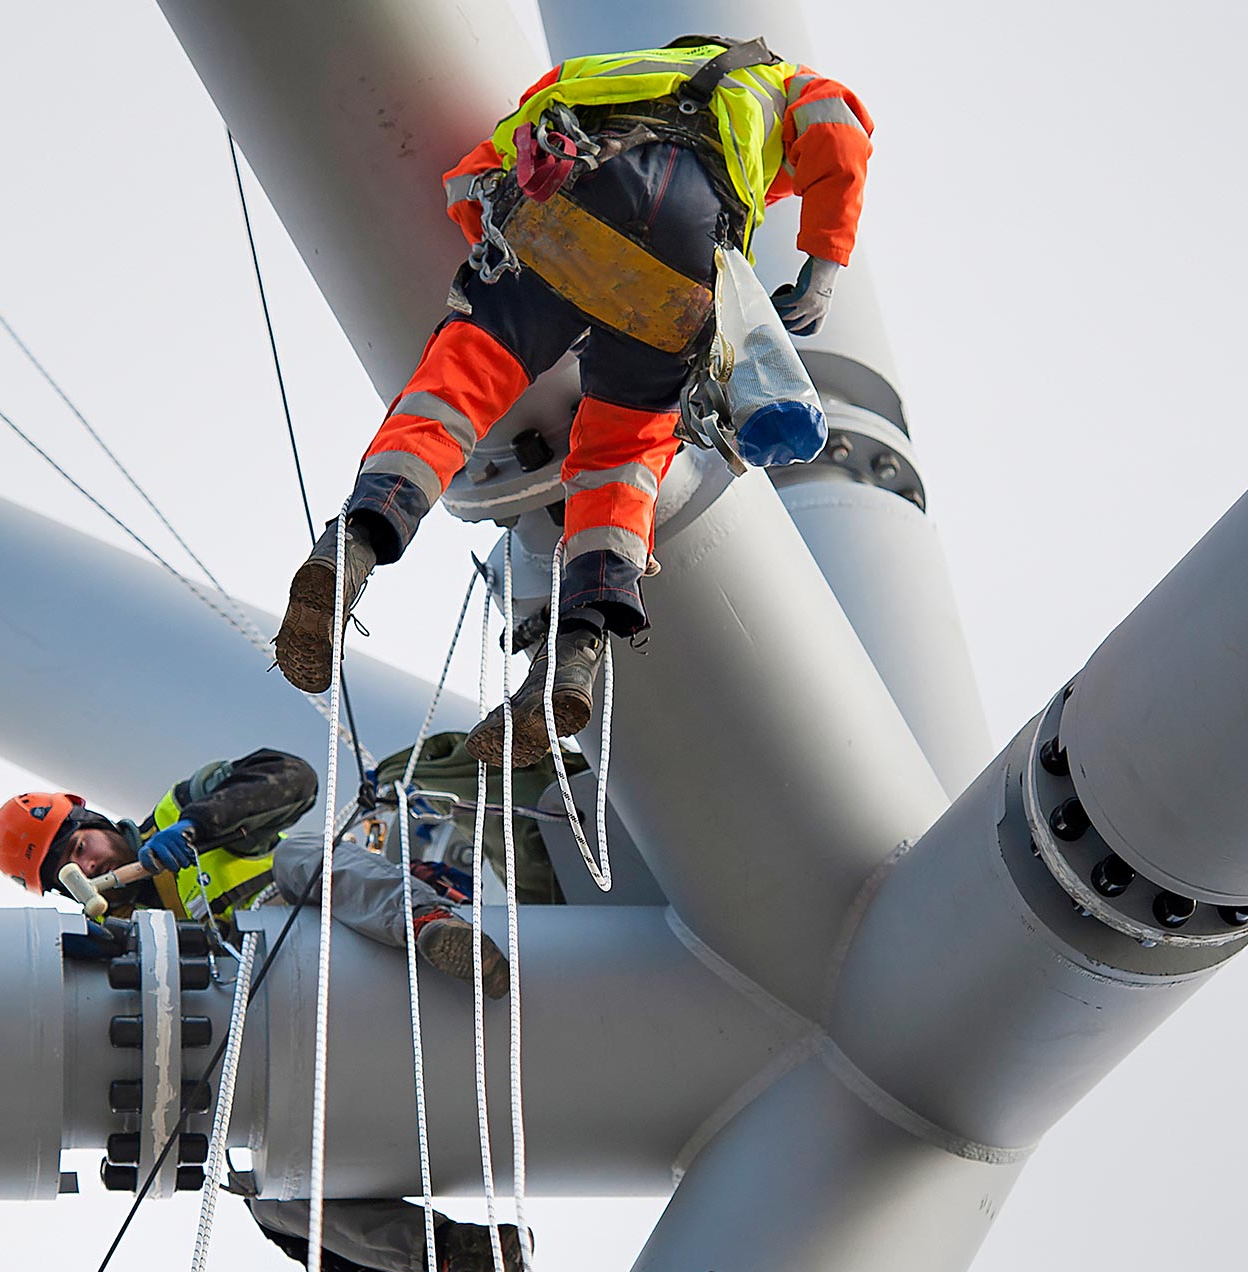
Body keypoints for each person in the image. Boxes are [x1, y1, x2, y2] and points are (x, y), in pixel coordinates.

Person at [273, 36, 874, 767]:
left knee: (458, 384)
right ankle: (575, 656)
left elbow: (479, 176)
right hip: (685, 256)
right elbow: (838, 126)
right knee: (623, 458)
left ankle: (355, 544)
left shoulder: (594, 74)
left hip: (571, 208)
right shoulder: (779, 84)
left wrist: (521, 280)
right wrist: (824, 268)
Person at [0, 747, 526, 1272]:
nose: (88, 864)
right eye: (69, 872)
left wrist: (199, 827)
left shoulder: (178, 813)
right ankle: (448, 1255)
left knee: (301, 856)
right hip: (280, 1020)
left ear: (96, 821)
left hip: (327, 924)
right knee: (269, 1196)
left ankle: (429, 924)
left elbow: (292, 777)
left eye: (80, 845)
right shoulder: (130, 942)